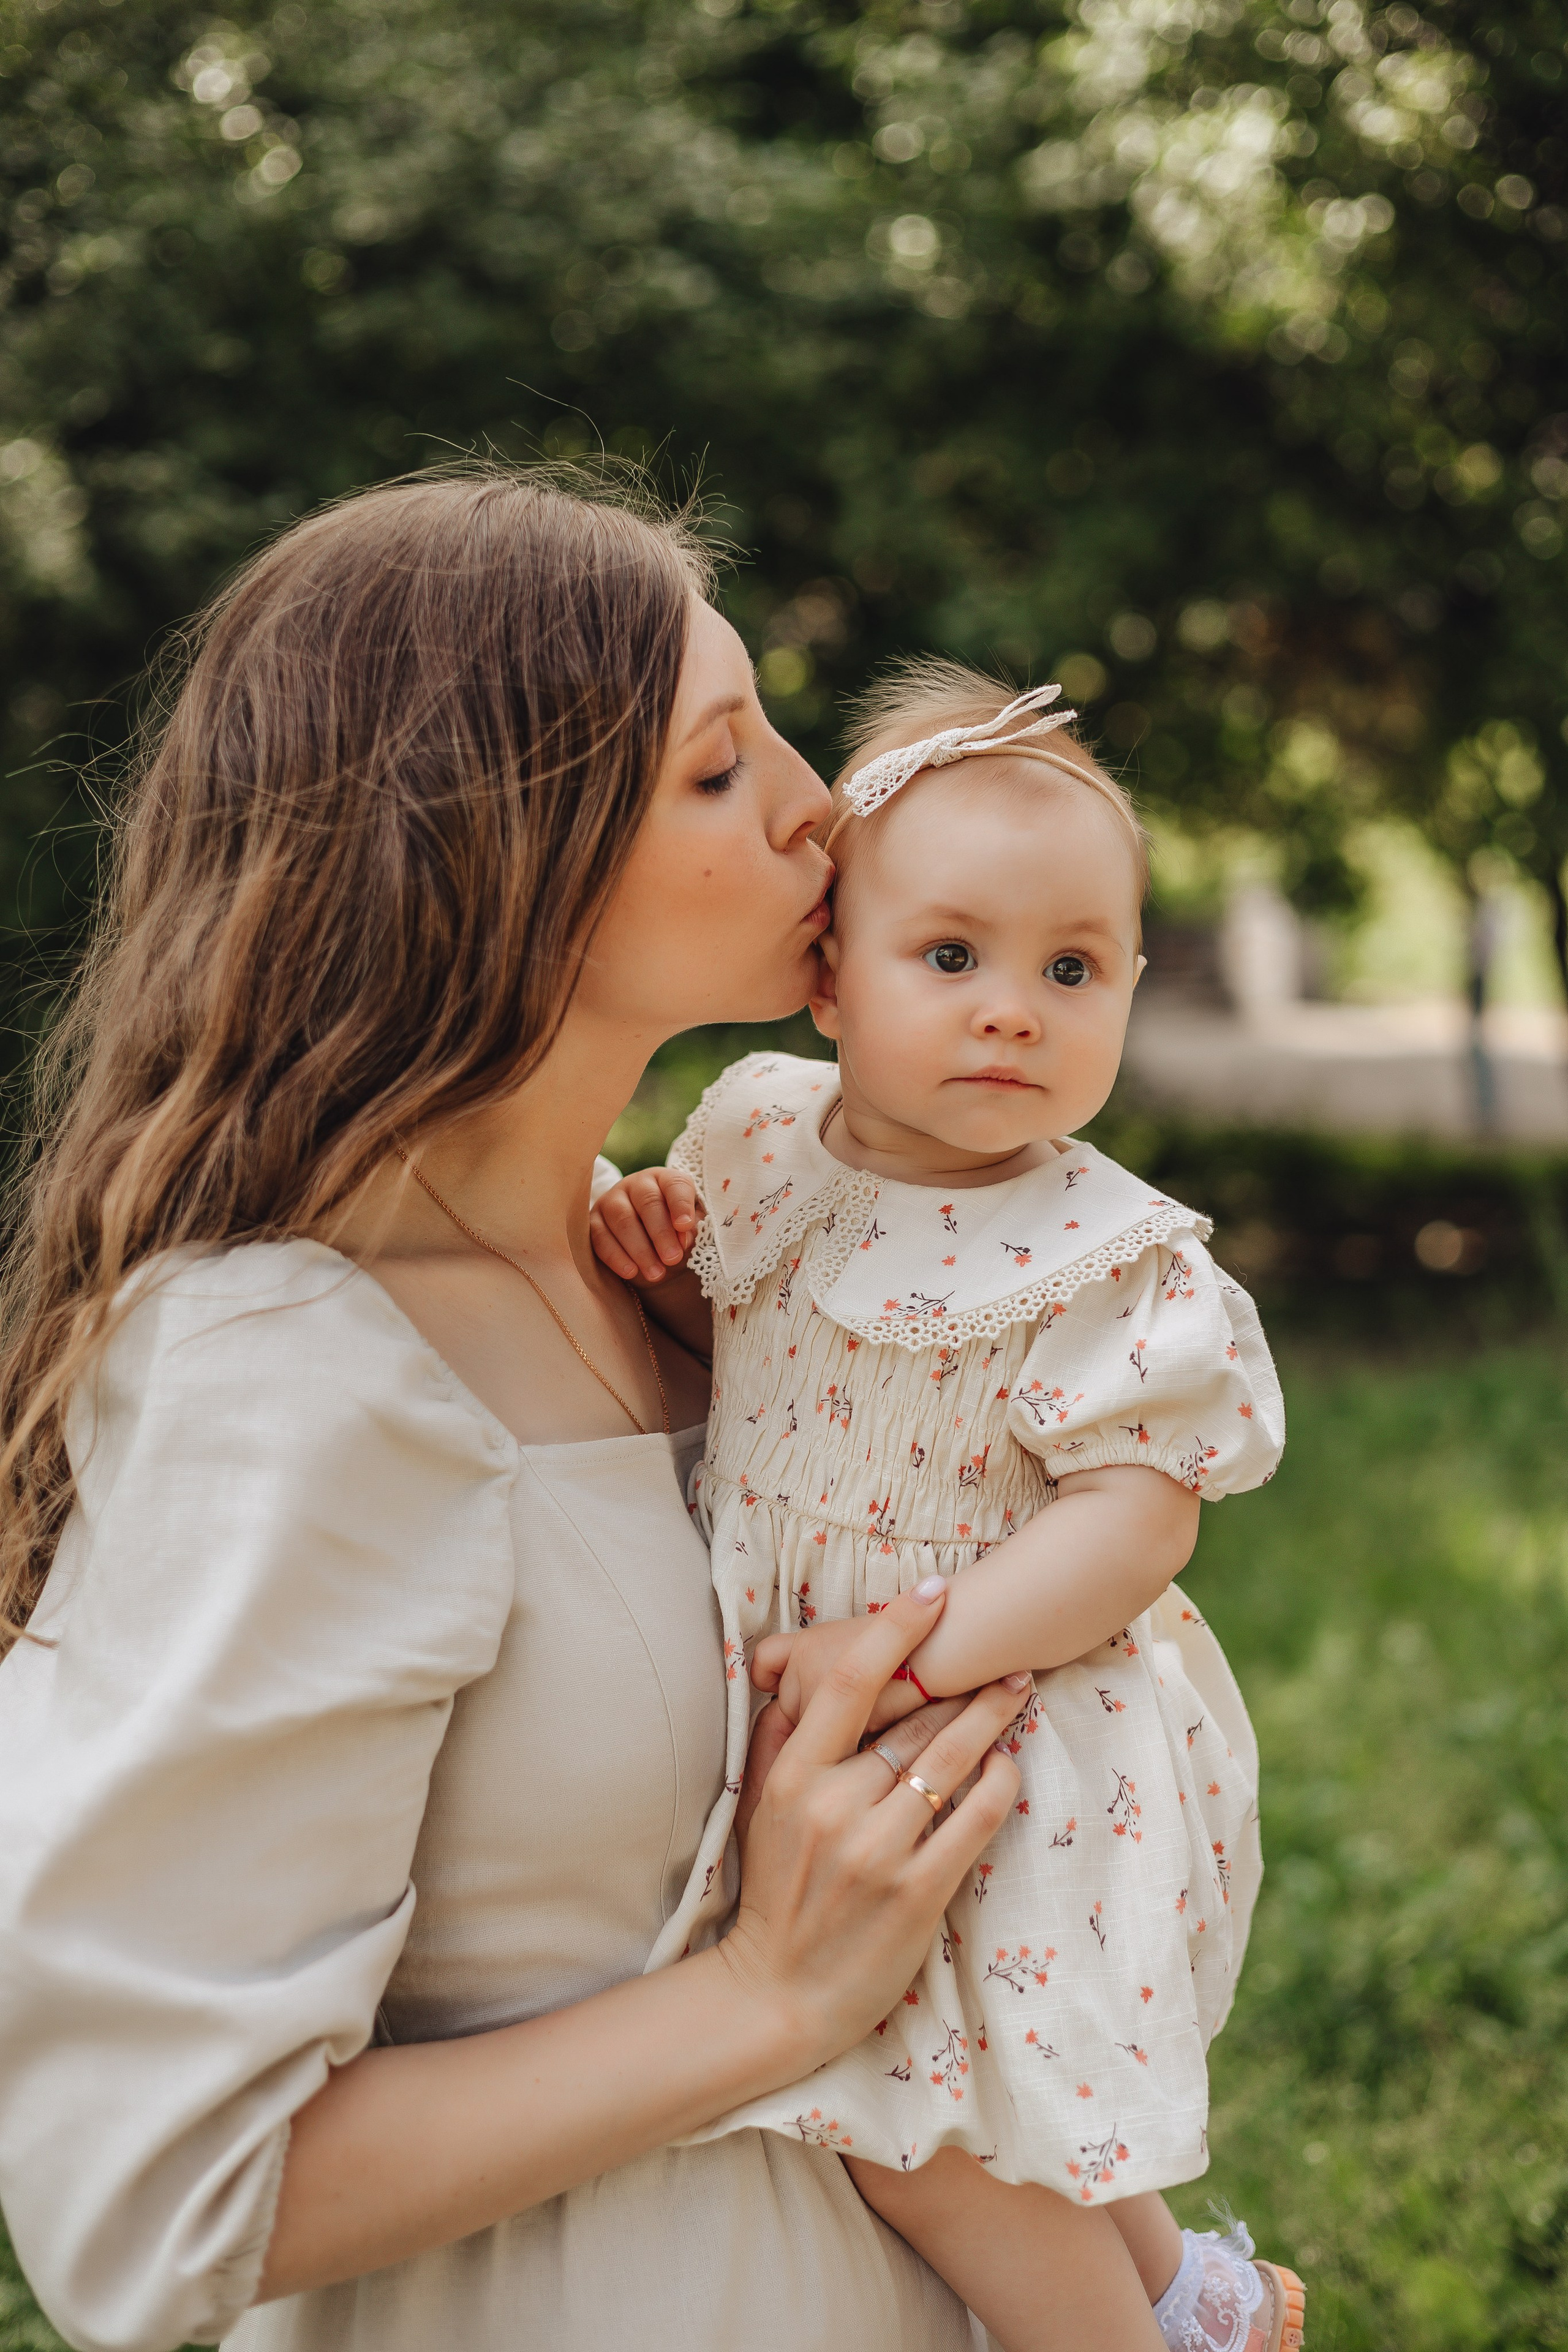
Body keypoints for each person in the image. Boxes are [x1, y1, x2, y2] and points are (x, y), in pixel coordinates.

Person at [0, 470, 1033, 2352]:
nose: (822, 805)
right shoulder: (288, 1374)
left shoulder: (675, 1272)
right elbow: (143, 2215)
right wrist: (766, 2003)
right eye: (721, 770)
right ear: (486, 852)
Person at [589, 662, 1305, 2352]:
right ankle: (1201, 2307)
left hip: (994, 1721)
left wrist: (909, 1666)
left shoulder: (1107, 1252)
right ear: (828, 982)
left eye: (1072, 969)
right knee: (988, 2086)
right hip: (844, 1686)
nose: (1011, 1010)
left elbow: (1138, 1521)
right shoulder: (765, 1136)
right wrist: (663, 1276)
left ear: (1129, 987)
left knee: (930, 2127)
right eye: (951, 957)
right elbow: (758, 1341)